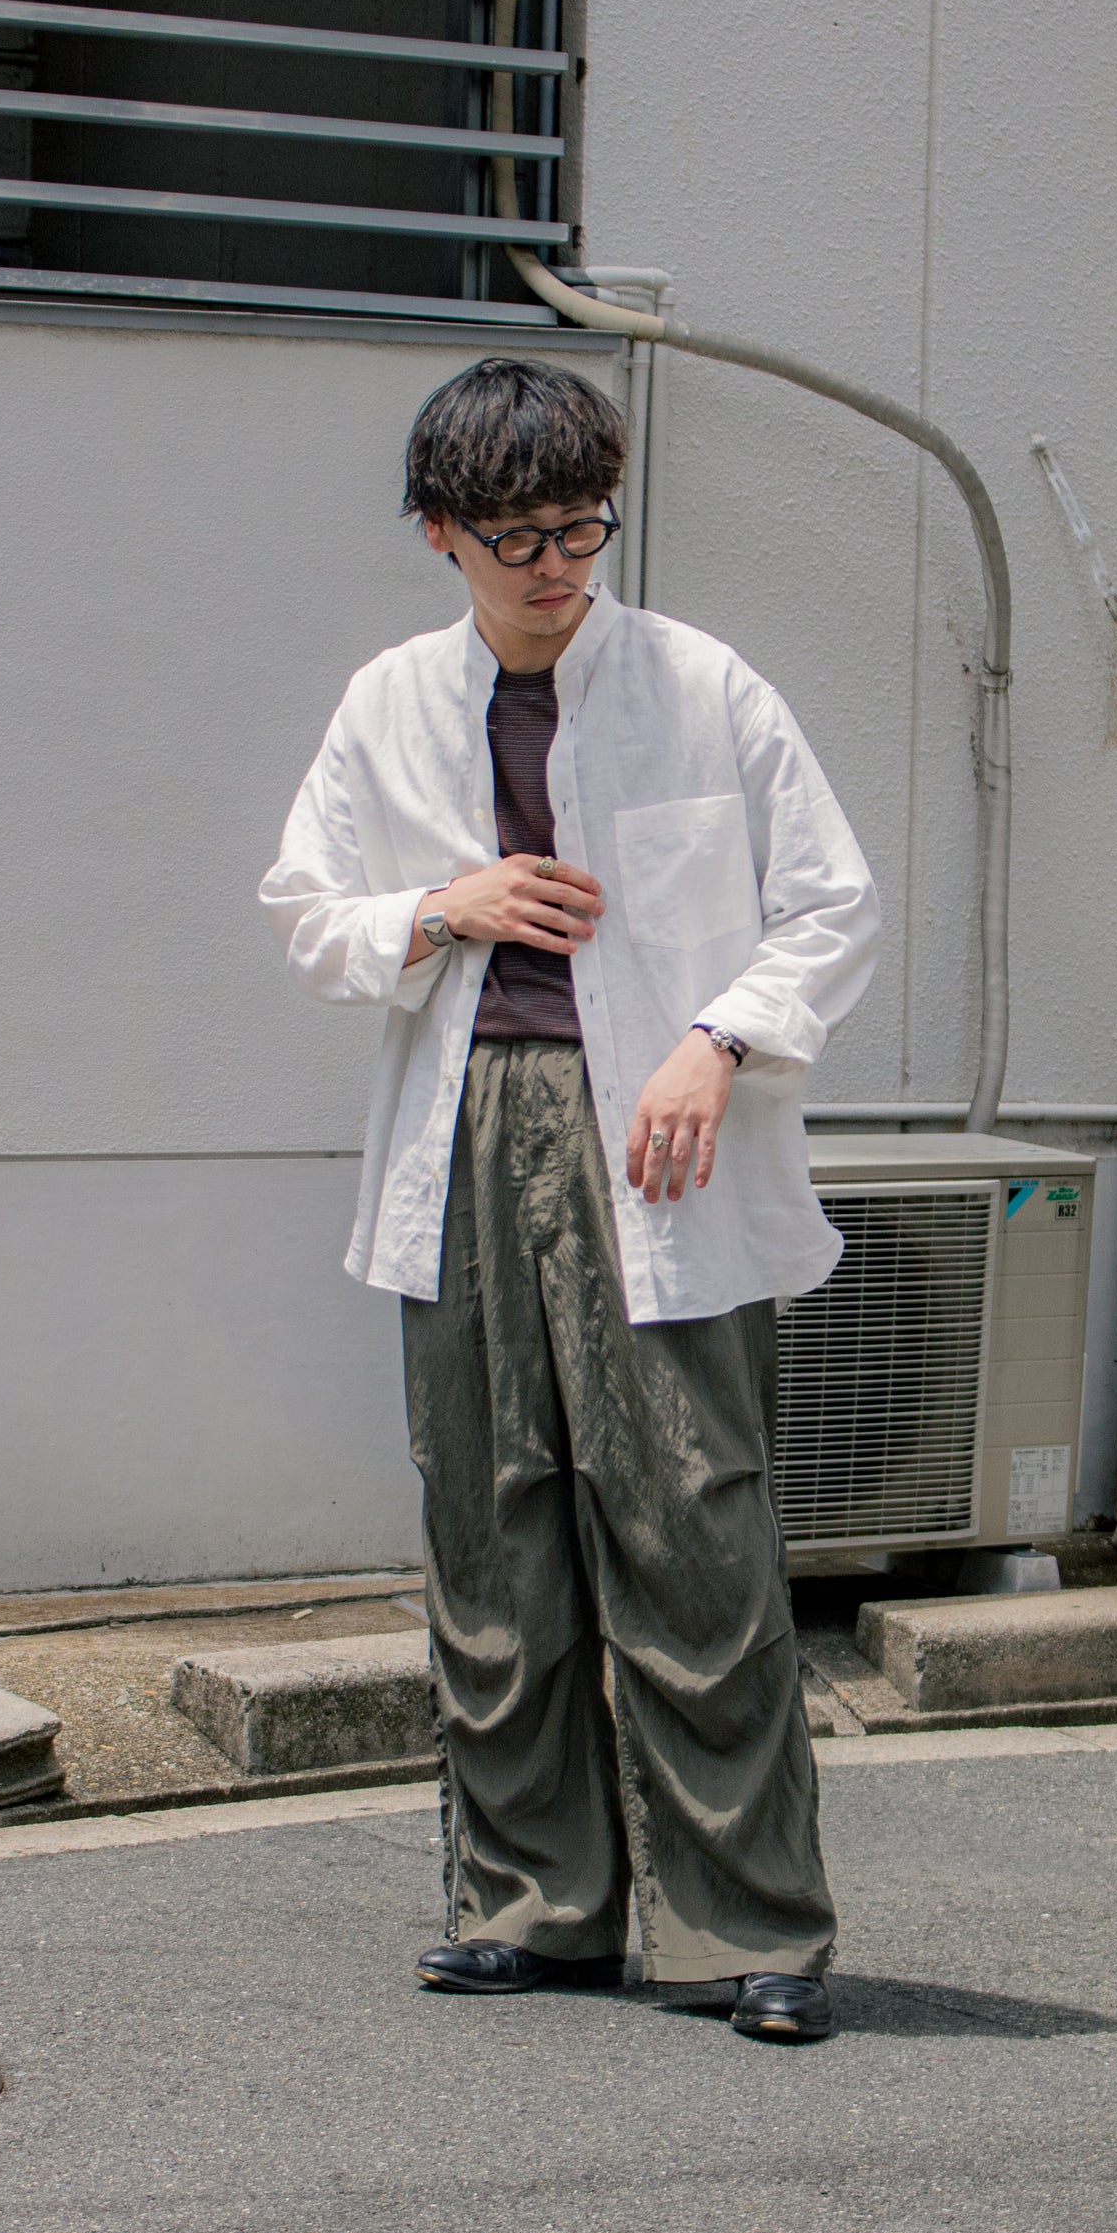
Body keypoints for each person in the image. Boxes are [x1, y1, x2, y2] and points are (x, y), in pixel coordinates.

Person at [261, 355, 879, 2043]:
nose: (557, 565)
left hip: (659, 1140)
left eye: (582, 527)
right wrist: (439, 907)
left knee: (693, 1528)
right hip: (462, 1132)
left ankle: (750, 1928)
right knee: (491, 1530)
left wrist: (716, 1038)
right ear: (441, 536)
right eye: (518, 537)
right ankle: (531, 1908)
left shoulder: (700, 684)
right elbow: (305, 913)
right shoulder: (390, 701)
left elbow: (829, 904)